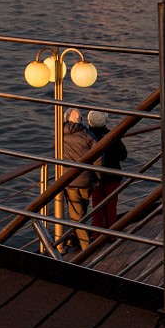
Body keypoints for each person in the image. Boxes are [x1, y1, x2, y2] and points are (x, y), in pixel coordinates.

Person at [60, 107, 95, 249]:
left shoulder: (60, 135)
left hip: (69, 180)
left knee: (77, 216)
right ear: (81, 119)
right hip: (87, 179)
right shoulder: (88, 135)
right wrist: (97, 177)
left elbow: (56, 150)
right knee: (81, 211)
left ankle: (85, 246)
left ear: (65, 119)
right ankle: (77, 239)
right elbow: (98, 156)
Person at [87, 110, 127, 230]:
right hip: (113, 176)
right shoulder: (113, 136)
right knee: (111, 206)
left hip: (95, 177)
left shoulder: (87, 137)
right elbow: (123, 155)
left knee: (97, 207)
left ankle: (97, 235)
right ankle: (112, 234)